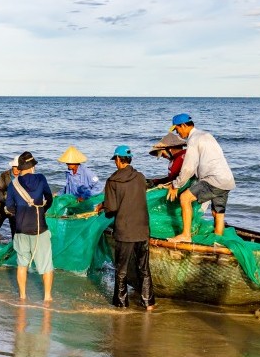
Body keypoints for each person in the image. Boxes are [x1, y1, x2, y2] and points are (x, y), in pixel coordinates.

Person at [97, 145, 154, 310]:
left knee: (121, 271)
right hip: (143, 229)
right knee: (144, 268)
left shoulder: (113, 181)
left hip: (125, 231)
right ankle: (148, 303)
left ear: (117, 159)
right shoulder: (140, 177)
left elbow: (112, 209)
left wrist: (103, 207)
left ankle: (121, 304)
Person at [165, 113, 235, 242]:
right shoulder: (206, 135)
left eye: (177, 129)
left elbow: (188, 167)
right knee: (218, 213)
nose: (177, 133)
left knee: (185, 198)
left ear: (184, 125)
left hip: (213, 179)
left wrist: (176, 185)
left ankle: (186, 235)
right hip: (227, 180)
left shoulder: (193, 139)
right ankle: (217, 241)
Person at [5, 151, 54, 302]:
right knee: (46, 266)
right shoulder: (41, 179)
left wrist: (20, 212)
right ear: (32, 166)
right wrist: (41, 210)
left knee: (22, 264)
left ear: (20, 167)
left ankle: (22, 296)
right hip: (39, 229)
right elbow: (49, 198)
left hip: (20, 230)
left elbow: (9, 207)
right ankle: (47, 297)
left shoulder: (13, 184)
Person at [0, 157, 19, 241]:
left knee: (15, 230)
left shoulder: (23, 177)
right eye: (15, 167)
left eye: (18, 167)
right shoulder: (4, 175)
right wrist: (6, 202)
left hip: (15, 208)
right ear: (12, 166)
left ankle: (13, 247)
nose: (17, 169)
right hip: (1, 206)